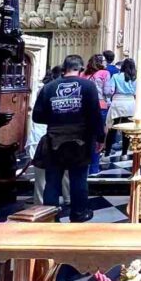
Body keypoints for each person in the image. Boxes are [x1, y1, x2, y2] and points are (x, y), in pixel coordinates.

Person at [32, 54, 104, 222]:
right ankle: (79, 214)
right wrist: (100, 137)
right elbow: (95, 115)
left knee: (53, 181)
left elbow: (37, 116)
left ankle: (50, 217)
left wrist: (57, 118)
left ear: (64, 69)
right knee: (78, 179)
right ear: (81, 69)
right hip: (81, 139)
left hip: (54, 139)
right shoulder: (88, 86)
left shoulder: (49, 87)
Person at [28, 66, 69, 204]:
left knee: (41, 170)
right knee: (62, 168)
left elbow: (36, 113)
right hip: (54, 131)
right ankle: (67, 197)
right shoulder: (56, 89)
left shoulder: (45, 88)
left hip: (44, 129)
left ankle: (40, 202)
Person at [104, 57, 137, 157]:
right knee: (127, 130)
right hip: (130, 103)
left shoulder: (116, 76)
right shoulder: (135, 78)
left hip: (118, 102)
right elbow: (137, 92)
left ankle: (107, 154)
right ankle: (124, 154)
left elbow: (110, 91)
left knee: (112, 129)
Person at [84, 54, 110, 175]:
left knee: (86, 136)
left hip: (85, 106)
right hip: (100, 105)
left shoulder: (83, 74)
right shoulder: (104, 73)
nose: (106, 63)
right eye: (104, 61)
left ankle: (84, 166)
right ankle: (94, 167)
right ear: (100, 62)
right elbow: (107, 91)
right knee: (98, 136)